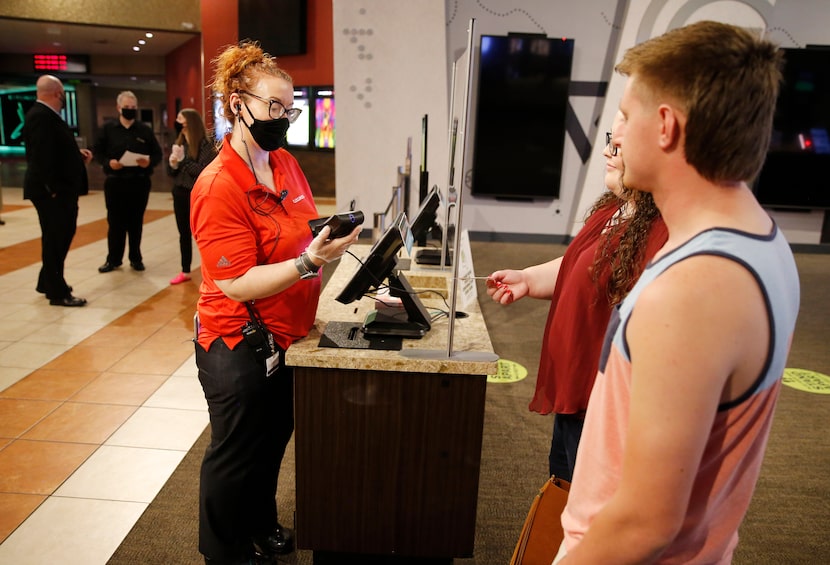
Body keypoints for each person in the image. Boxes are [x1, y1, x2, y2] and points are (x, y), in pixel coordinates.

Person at [555, 21, 800, 564]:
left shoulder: (695, 289)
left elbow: (645, 523)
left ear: (665, 125)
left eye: (624, 114)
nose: (615, 133)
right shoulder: (757, 237)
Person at [191, 41, 361, 565]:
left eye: (291, 109)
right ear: (237, 104)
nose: (283, 118)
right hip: (237, 341)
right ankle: (223, 551)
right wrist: (310, 262)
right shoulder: (218, 186)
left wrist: (324, 240)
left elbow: (301, 225)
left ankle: (260, 526)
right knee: (235, 454)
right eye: (273, 107)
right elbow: (236, 282)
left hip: (288, 334)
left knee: (270, 444)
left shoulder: (284, 161)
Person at [486, 112, 668, 482]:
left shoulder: (661, 231)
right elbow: (580, 264)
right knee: (565, 489)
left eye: (618, 146)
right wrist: (528, 279)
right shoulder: (615, 208)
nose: (607, 153)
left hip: (600, 400)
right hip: (575, 388)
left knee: (589, 503)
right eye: (609, 141)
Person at [22, 75, 93, 307]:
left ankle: (47, 281)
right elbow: (41, 157)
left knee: (58, 236)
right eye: (62, 92)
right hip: (53, 192)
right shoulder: (41, 117)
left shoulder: (47, 116)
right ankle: (57, 291)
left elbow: (55, 150)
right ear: (56, 93)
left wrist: (76, 156)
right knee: (56, 238)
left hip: (57, 189)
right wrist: (52, 189)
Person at [93, 90, 162, 273]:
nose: (130, 110)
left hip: (138, 182)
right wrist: (109, 162)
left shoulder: (144, 130)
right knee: (115, 222)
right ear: (118, 108)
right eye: (126, 107)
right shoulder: (108, 129)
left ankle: (135, 257)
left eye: (133, 108)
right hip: (115, 182)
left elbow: (157, 154)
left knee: (135, 222)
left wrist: (148, 161)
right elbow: (97, 152)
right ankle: (113, 259)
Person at [166, 108, 216, 285]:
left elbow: (203, 170)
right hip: (179, 193)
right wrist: (173, 164)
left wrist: (183, 162)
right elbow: (172, 173)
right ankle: (185, 269)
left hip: (197, 195)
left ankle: (212, 271)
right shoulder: (180, 143)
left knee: (203, 234)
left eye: (181, 120)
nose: (178, 123)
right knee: (183, 233)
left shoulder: (205, 145)